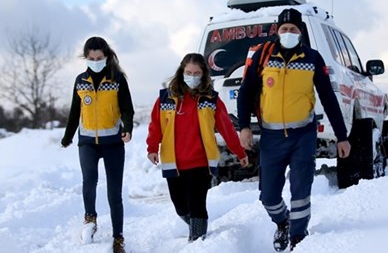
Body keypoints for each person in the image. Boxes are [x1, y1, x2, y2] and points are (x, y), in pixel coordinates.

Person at [237, 8, 351, 251]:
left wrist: (342, 136)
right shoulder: (263, 56)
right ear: (277, 31)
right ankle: (283, 223)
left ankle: (299, 240)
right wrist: (244, 126)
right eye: (284, 29)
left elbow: (328, 98)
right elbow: (246, 92)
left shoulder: (312, 58)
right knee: (268, 197)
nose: (288, 33)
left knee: (300, 191)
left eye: (293, 29)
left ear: (301, 32)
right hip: (271, 137)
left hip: (303, 136)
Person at [146, 53, 249, 242]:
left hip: (201, 162)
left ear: (203, 75)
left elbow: (227, 128)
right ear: (181, 72)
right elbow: (155, 125)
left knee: (196, 205)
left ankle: (197, 241)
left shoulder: (211, 100)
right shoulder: (165, 99)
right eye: (188, 72)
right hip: (173, 163)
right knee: (180, 207)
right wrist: (152, 148)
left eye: (196, 73)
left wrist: (239, 152)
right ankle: (197, 227)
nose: (192, 77)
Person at [61, 36, 134, 253]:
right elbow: (75, 111)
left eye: (99, 57)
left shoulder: (117, 79)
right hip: (87, 143)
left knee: (114, 192)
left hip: (112, 142)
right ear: (86, 58)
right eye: (91, 58)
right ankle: (90, 218)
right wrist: (68, 136)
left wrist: (127, 129)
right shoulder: (80, 80)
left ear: (106, 57)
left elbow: (127, 109)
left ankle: (118, 237)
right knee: (89, 180)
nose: (95, 61)